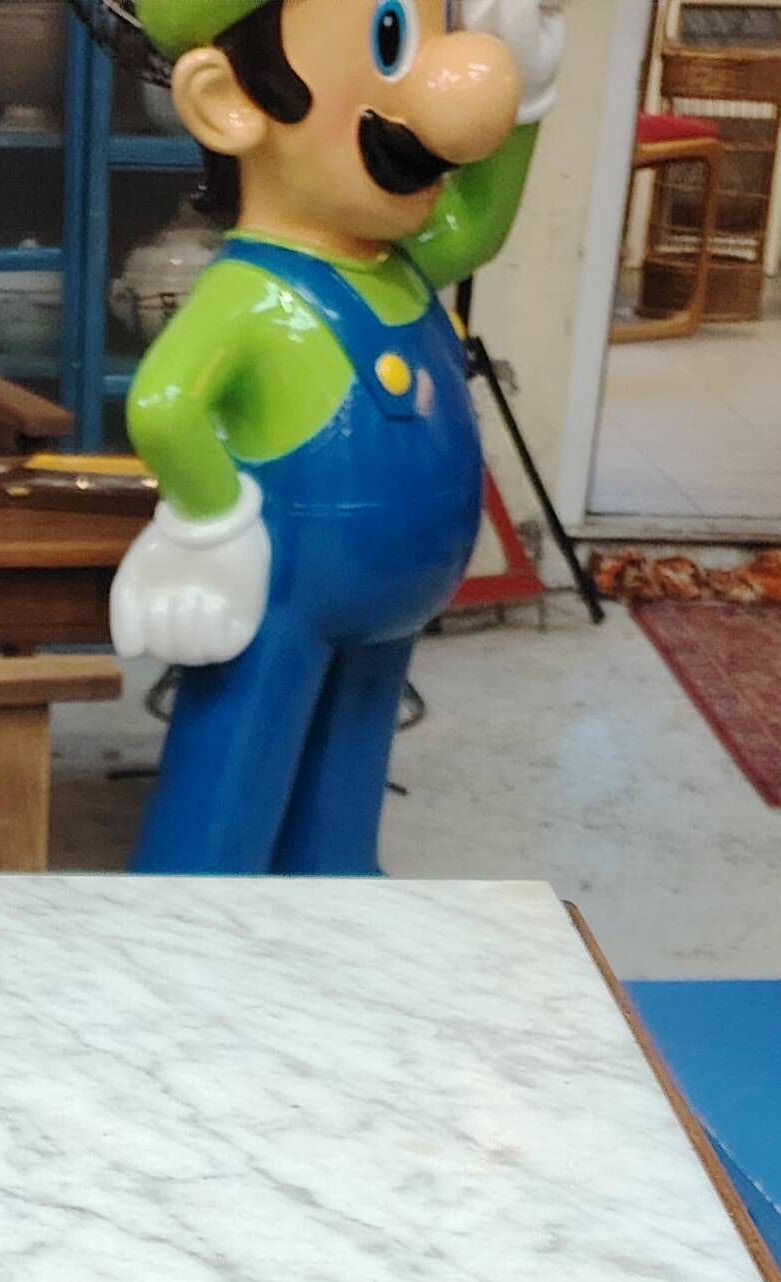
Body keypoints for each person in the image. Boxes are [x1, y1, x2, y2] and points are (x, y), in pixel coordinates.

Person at [114, 0, 563, 874]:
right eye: (391, 39)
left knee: (349, 774)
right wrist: (211, 531)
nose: (448, 95)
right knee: (236, 772)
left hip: (390, 600)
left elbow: (482, 223)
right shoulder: (252, 291)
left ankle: (335, 889)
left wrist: (532, 94)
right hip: (284, 595)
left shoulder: (394, 261)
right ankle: (190, 924)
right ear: (229, 103)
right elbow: (163, 406)